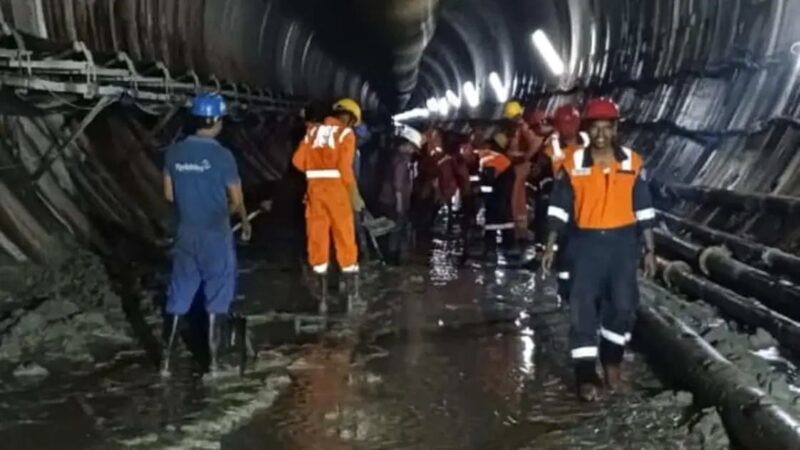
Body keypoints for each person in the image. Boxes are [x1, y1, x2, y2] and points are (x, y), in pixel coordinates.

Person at [541, 98, 657, 401]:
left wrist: (650, 250)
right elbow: (559, 208)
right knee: (583, 310)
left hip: (622, 246)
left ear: (616, 128)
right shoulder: (573, 164)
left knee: (621, 306)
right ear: (587, 130)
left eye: (607, 128)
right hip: (585, 245)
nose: (601, 134)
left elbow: (643, 208)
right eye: (595, 128)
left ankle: (612, 363)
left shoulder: (632, 162)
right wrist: (551, 246)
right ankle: (585, 375)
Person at [160, 93, 251, 377]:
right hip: (216, 234)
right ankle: (213, 365)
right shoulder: (223, 156)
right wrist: (244, 221)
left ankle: (164, 363)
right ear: (216, 121)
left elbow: (169, 194)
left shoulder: (173, 152)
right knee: (217, 295)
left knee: (179, 295)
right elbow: (236, 200)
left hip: (186, 233)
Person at [292, 98, 365, 315]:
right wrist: (354, 194)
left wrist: (316, 170)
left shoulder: (312, 132)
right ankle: (352, 297)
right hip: (337, 192)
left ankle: (321, 300)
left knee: (317, 239)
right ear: (350, 119)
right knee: (344, 238)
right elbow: (344, 168)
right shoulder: (346, 134)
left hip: (315, 192)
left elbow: (297, 161)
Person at [535, 105, 591, 301]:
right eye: (564, 125)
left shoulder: (590, 140)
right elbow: (540, 174)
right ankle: (565, 293)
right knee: (566, 250)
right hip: (563, 202)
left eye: (572, 124)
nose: (569, 129)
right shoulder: (551, 147)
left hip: (588, 203)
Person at [378, 124, 422, 265]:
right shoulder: (402, 160)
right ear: (407, 144)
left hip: (387, 199)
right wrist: (400, 204)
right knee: (395, 230)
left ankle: (389, 257)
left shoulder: (393, 157)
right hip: (394, 201)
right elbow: (398, 184)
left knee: (392, 230)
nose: (413, 151)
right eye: (413, 148)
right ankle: (392, 259)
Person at [501, 101, 543, 244]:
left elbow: (536, 142)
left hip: (520, 166)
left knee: (516, 198)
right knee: (516, 197)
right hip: (516, 165)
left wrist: (525, 157)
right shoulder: (516, 128)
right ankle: (518, 231)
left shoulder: (522, 127)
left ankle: (519, 232)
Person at [478, 134, 514, 255]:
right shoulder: (492, 156)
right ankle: (508, 243)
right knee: (505, 211)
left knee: (493, 211)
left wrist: (483, 196)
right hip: (507, 176)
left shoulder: (486, 160)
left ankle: (490, 246)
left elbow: (489, 181)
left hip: (502, 181)